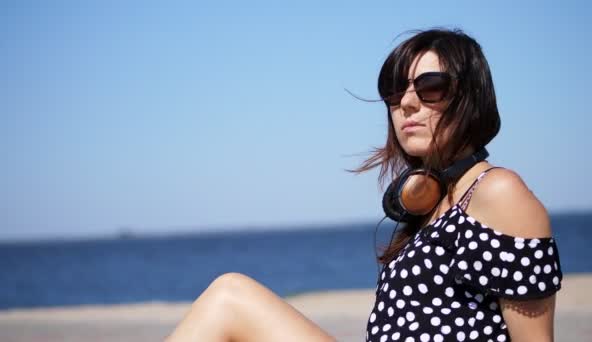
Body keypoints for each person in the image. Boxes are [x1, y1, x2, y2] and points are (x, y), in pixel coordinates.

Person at [165, 28, 562, 342]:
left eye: (431, 87)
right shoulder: (435, 204)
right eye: (395, 90)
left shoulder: (498, 192)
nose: (406, 103)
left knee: (230, 297)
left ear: (470, 97)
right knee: (228, 298)